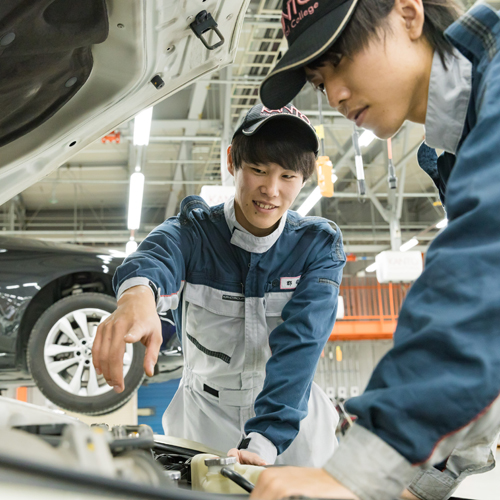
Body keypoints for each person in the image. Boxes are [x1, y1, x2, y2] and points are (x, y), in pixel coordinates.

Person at [251, 0, 500, 499]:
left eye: (340, 59)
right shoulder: (453, 149)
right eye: (321, 82)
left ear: (408, 14)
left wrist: (356, 476)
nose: (336, 94)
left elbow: (480, 284)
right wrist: (423, 481)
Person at [92, 103, 346, 467]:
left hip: (293, 419)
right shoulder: (194, 233)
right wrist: (137, 296)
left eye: (288, 176)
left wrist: (266, 440)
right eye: (258, 170)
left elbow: (301, 345)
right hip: (203, 420)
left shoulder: (318, 246)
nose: (271, 190)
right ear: (232, 161)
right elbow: (153, 259)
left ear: (305, 179)